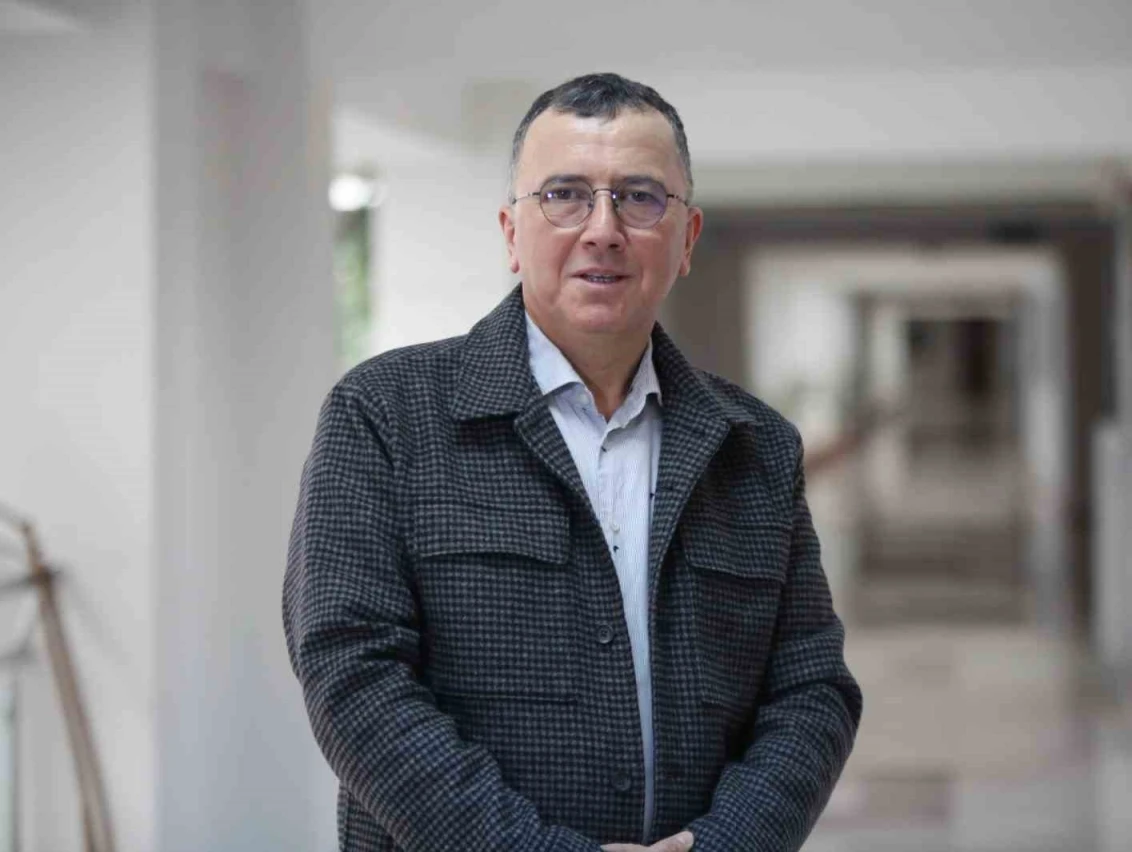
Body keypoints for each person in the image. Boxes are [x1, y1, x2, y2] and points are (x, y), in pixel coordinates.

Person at [283, 72, 862, 852]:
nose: (603, 229)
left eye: (640, 197)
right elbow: (352, 676)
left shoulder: (755, 447)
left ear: (687, 239)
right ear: (510, 233)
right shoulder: (385, 416)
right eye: (564, 195)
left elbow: (811, 690)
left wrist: (730, 842)